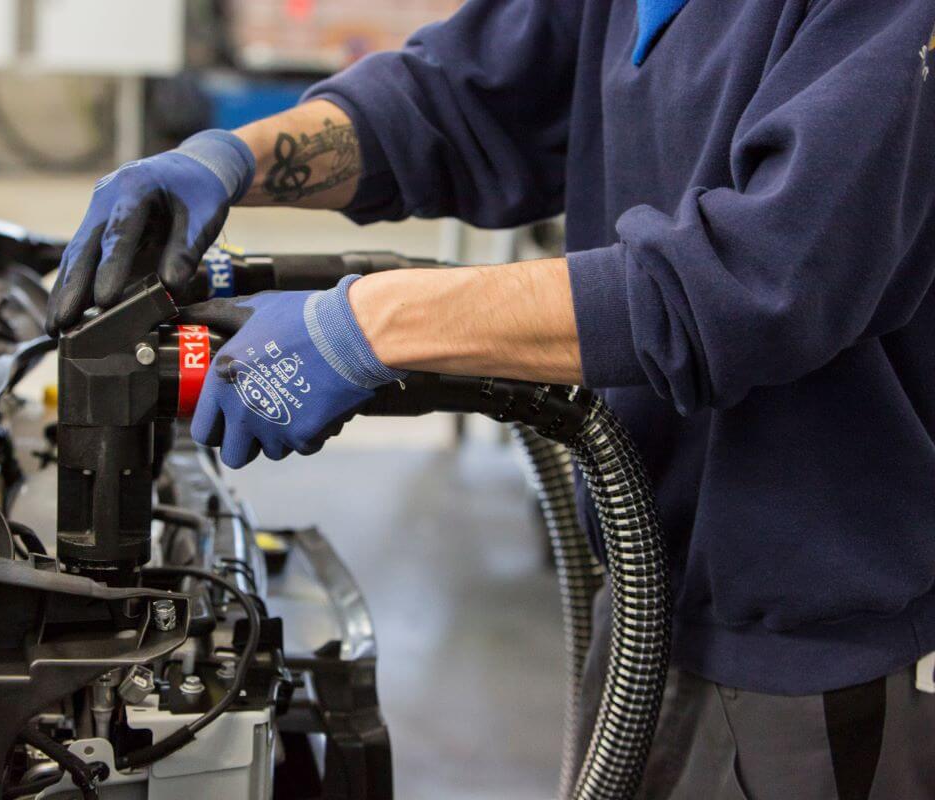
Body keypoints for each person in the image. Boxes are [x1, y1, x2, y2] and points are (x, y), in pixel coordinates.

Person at [46, 0, 935, 796]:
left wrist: (367, 325)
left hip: (807, 651)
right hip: (648, 600)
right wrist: (234, 155)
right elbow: (455, 103)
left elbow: (755, 285)